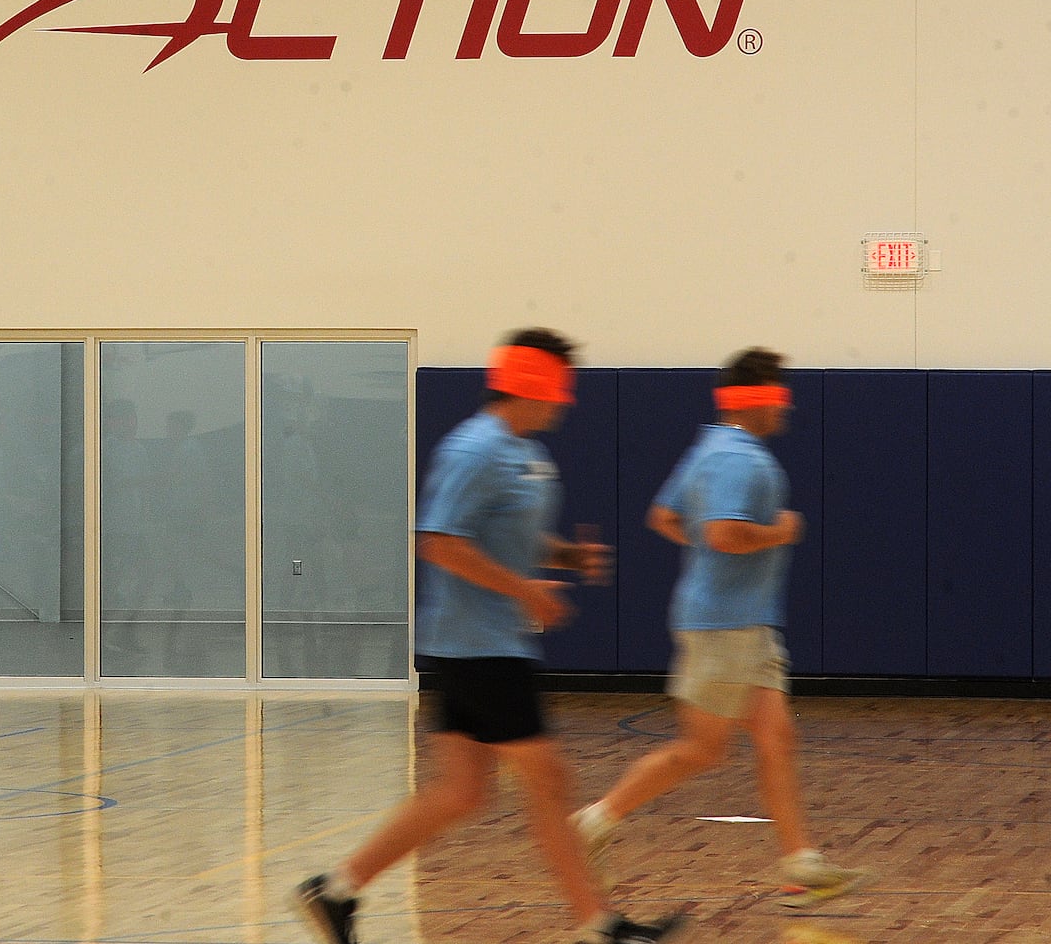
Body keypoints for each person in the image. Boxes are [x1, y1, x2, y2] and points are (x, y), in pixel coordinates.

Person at [294, 330, 687, 944]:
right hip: (481, 648)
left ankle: (337, 891)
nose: (566, 402)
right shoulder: (476, 449)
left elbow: (504, 536)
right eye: (559, 388)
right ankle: (599, 925)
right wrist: (527, 592)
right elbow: (441, 541)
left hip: (481, 645)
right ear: (533, 386)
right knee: (548, 783)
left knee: (461, 792)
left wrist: (564, 556)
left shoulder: (525, 452)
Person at [571, 348, 869, 909]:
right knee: (701, 750)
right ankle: (594, 820)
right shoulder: (741, 459)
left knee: (776, 736)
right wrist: (777, 534)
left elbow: (664, 517)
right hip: (724, 628)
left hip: (746, 623)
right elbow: (726, 534)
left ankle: (800, 863)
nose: (787, 403)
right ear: (756, 399)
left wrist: (713, 559)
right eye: (779, 392)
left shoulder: (709, 447)